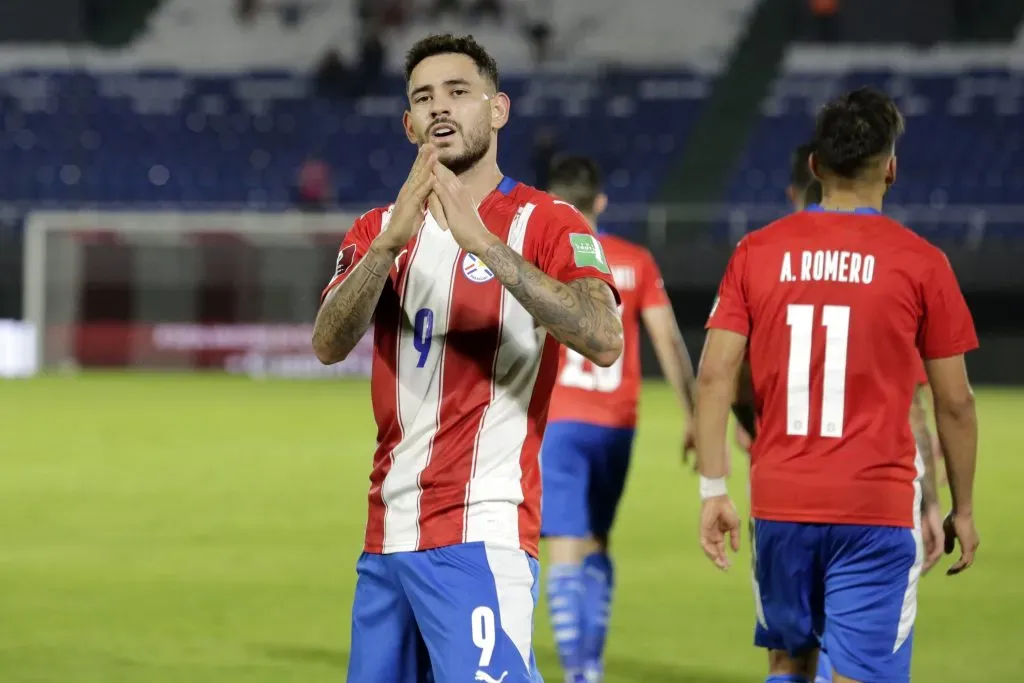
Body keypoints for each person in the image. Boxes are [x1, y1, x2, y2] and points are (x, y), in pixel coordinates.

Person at [311, 34, 624, 683]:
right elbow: (328, 343)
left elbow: (602, 334)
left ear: (497, 109)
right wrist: (385, 249)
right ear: (408, 123)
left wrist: (484, 244)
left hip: (482, 531)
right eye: (424, 98)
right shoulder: (377, 228)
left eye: (458, 91)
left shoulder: (549, 222)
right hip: (387, 536)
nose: (440, 108)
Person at [694, 87, 980, 683]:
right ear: (892, 169)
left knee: (788, 665)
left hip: (780, 503)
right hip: (874, 508)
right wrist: (962, 507)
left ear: (817, 168)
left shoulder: (755, 252)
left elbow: (716, 372)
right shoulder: (922, 263)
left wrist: (713, 488)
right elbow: (954, 402)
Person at [538, 156, 696, 683]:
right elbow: (668, 339)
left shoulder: (539, 258)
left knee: (563, 544)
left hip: (559, 421)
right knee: (598, 541)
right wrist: (693, 414)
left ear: (554, 202)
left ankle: (578, 671)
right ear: (600, 202)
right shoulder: (634, 261)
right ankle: (593, 665)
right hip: (617, 424)